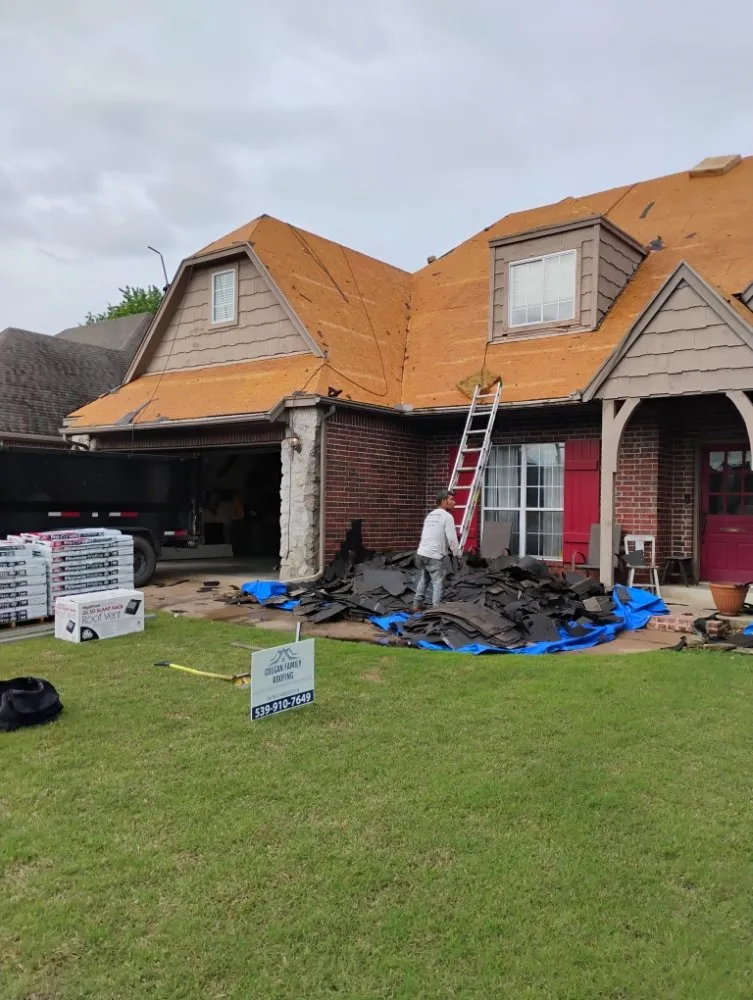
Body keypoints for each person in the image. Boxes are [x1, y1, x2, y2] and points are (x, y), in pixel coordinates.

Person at [413, 490, 462, 611]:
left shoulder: (430, 515)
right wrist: (458, 554)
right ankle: (436, 609)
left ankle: (416, 605)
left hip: (421, 553)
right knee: (438, 582)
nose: (454, 503)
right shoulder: (447, 517)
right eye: (451, 500)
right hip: (433, 556)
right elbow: (452, 539)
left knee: (424, 579)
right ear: (444, 501)